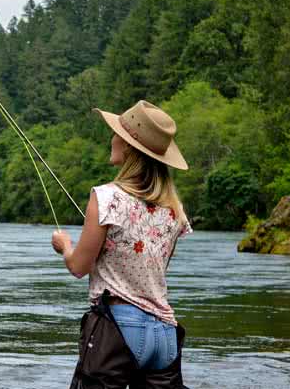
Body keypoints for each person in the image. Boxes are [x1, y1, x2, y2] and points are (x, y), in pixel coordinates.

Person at [51, 100, 192, 389]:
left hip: (118, 331)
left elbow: (79, 267)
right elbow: (154, 268)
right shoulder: (175, 210)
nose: (112, 137)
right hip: (165, 335)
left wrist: (64, 246)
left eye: (117, 133)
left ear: (129, 146)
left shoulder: (105, 197)